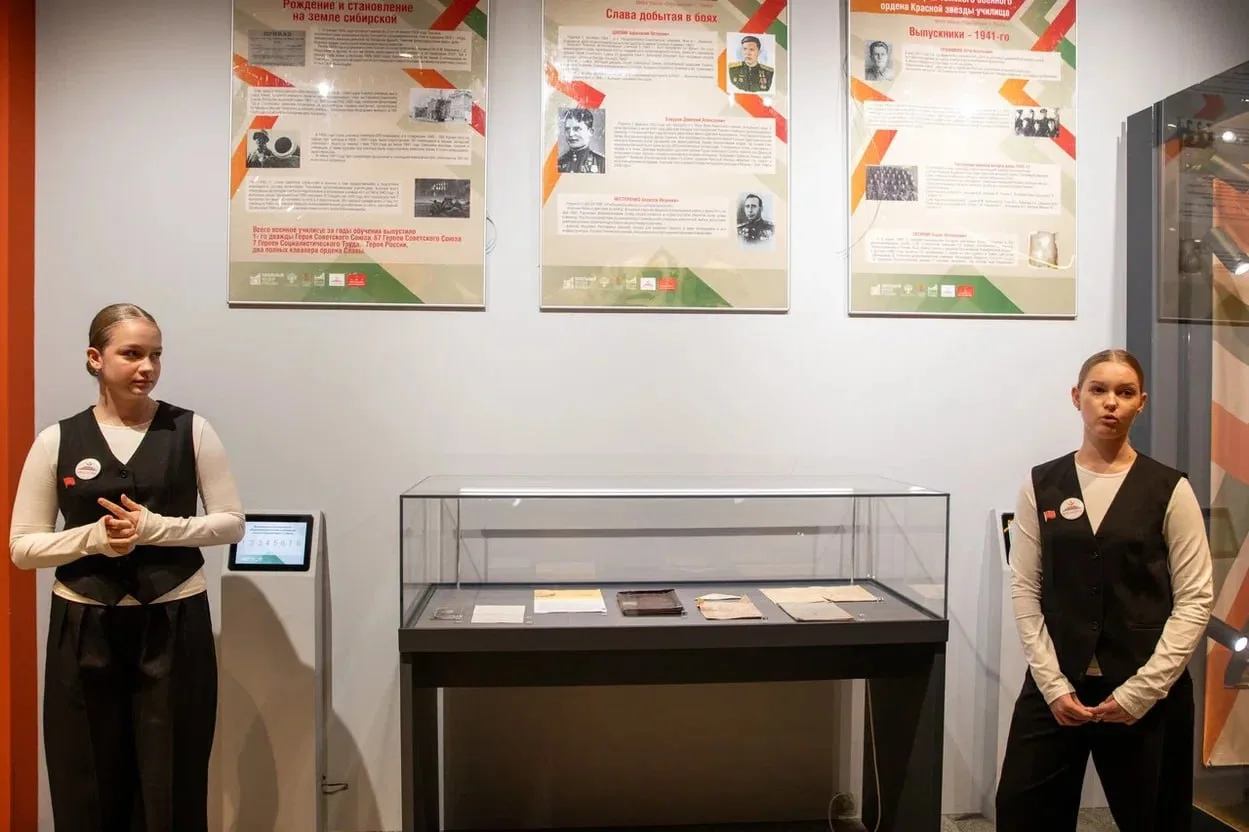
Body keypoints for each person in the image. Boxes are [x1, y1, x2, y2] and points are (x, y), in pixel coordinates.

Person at [8, 303, 245, 831]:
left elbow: (231, 524)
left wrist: (156, 528)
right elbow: (23, 548)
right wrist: (94, 539)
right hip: (84, 623)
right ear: (96, 358)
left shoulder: (192, 430)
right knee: (86, 775)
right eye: (132, 354)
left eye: (155, 355)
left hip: (174, 618)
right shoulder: (56, 441)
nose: (148, 367)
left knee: (173, 775)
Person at [995, 348, 1214, 831]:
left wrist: (1144, 689)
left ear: (1141, 403)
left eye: (1125, 392)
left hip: (1148, 688)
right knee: (1023, 810)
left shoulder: (1170, 489)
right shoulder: (1041, 484)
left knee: (1154, 818)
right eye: (1098, 390)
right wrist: (1052, 685)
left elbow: (1196, 598)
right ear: (1077, 397)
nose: (1111, 402)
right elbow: (1025, 588)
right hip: (1057, 685)